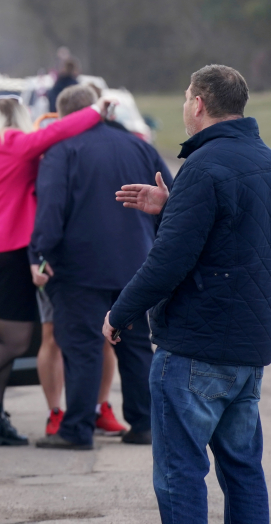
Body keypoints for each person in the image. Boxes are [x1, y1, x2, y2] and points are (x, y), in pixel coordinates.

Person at [107, 65, 271, 523]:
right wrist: (173, 204)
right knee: (243, 471)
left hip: (196, 348)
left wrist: (119, 313)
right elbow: (234, 237)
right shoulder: (265, 159)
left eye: (185, 98)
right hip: (247, 350)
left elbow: (168, 262)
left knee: (181, 473)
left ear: (199, 104)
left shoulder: (203, 165)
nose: (184, 106)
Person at [0, 93, 110, 446]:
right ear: (18, 118)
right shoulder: (12, 143)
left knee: (1, 342)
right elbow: (53, 134)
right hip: (7, 253)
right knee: (15, 342)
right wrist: (95, 110)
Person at [29, 85, 170, 450]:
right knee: (137, 346)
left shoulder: (62, 152)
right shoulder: (140, 146)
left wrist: (39, 255)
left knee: (82, 346)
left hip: (80, 269)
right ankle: (144, 425)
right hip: (137, 267)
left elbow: (50, 214)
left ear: (65, 118)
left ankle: (76, 429)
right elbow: (171, 202)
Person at [36, 286, 124, 438]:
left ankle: (99, 409)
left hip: (102, 271)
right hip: (60, 271)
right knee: (52, 332)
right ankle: (54, 413)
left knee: (104, 332)